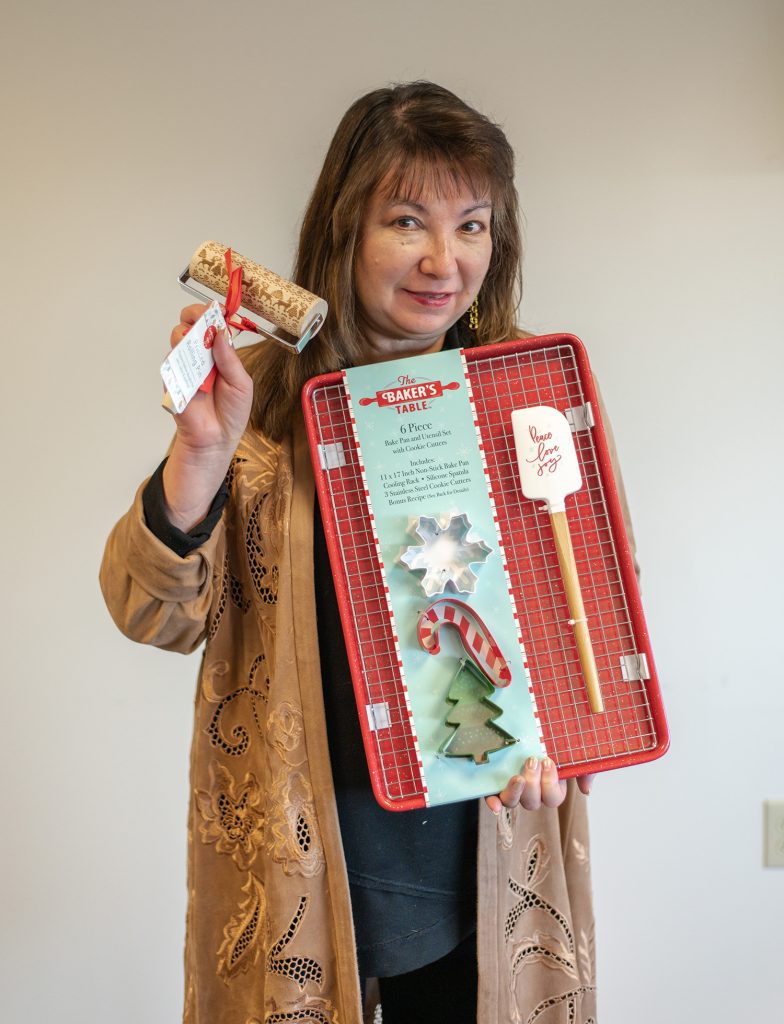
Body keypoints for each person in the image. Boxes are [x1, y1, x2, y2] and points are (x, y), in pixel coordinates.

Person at [101, 81, 611, 1024]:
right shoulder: (256, 397)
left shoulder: (522, 390)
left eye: (473, 225)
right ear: (345, 229)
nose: (442, 260)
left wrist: (567, 735)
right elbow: (151, 612)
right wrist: (202, 452)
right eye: (407, 220)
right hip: (308, 845)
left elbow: (583, 611)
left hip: (482, 851)